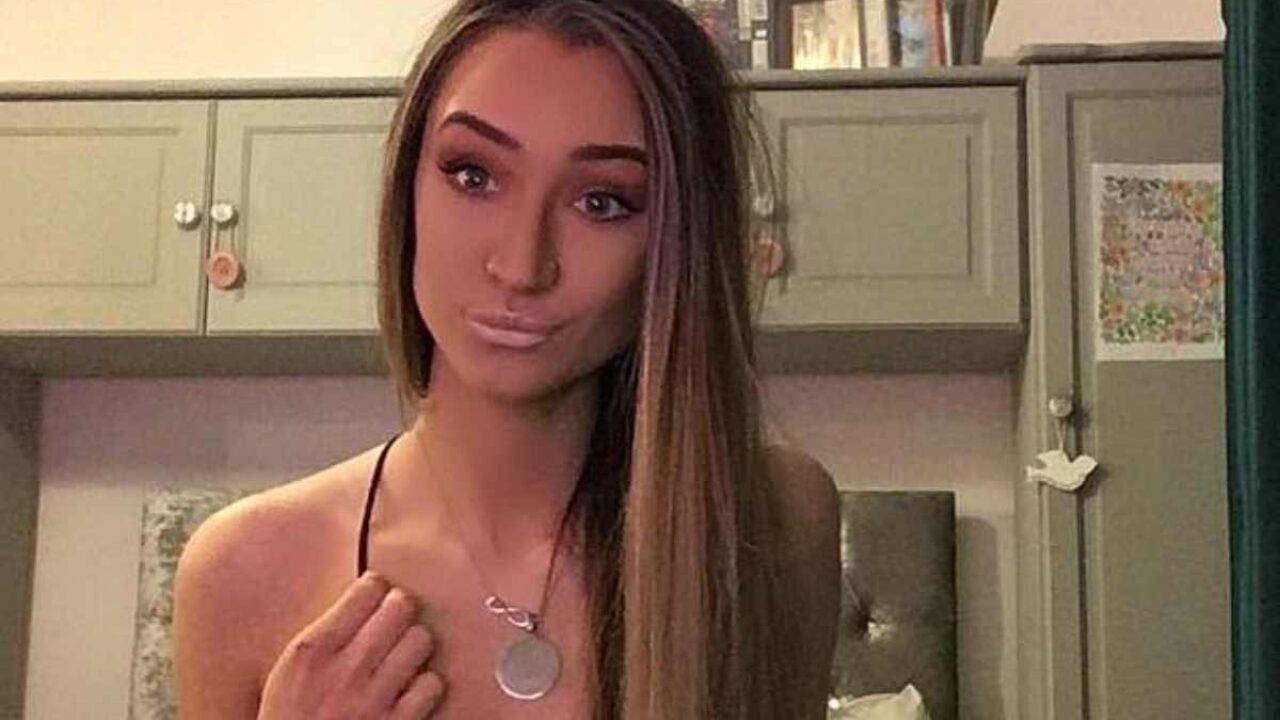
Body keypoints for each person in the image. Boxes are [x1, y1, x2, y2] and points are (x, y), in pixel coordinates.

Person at [172, 0, 840, 717]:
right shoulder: (244, 571)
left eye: (602, 202)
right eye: (473, 176)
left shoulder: (772, 522)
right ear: (407, 188)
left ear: (678, 242)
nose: (522, 266)